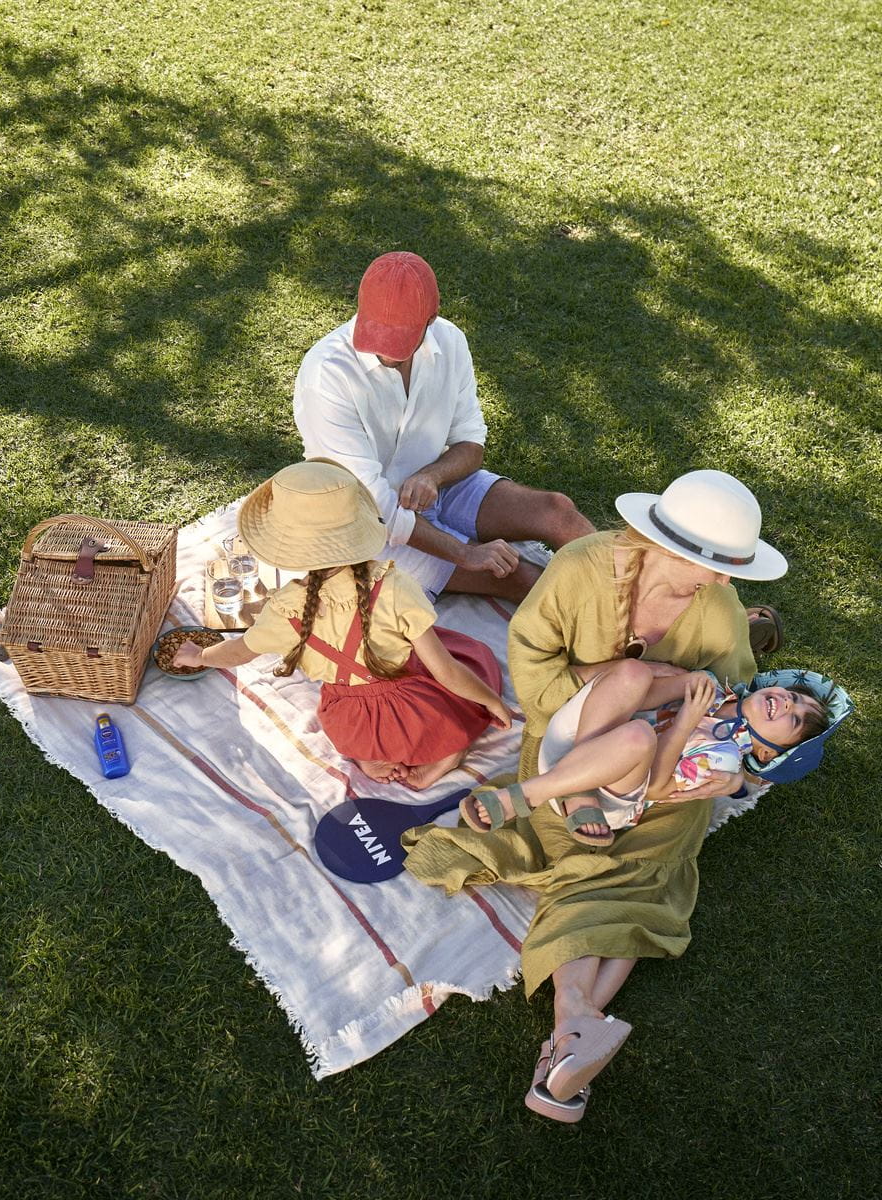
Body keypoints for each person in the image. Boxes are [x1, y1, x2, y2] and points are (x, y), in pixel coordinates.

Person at [402, 469, 789, 1123]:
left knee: (642, 867)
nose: (723, 581)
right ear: (662, 543)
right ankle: (575, 1028)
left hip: (667, 770)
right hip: (570, 746)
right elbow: (530, 658)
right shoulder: (581, 568)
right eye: (714, 566)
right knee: (590, 860)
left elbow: (733, 706)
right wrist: (609, 690)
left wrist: (731, 766)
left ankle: (572, 1034)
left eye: (729, 569)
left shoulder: (718, 613)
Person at [173, 460, 512, 789]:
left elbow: (237, 652)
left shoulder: (285, 610)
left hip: (350, 724)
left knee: (356, 715)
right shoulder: (394, 586)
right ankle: (447, 752)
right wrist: (489, 701)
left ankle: (369, 753)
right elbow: (447, 672)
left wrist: (200, 656)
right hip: (416, 715)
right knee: (465, 669)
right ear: (358, 528)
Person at [293, 251, 595, 604]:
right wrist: (466, 554)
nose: (386, 353)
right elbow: (374, 507)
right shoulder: (326, 374)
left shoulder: (451, 342)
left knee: (558, 512)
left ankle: (627, 603)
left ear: (430, 319)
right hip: (365, 524)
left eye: (399, 341)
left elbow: (470, 442)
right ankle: (602, 629)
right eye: (376, 334)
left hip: (439, 491)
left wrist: (433, 475)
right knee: (520, 578)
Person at [458, 660, 830, 843]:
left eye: (794, 720)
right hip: (571, 749)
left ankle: (525, 796)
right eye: (793, 696)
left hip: (609, 800)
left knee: (638, 736)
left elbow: (654, 789)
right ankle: (576, 786)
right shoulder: (713, 689)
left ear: (767, 754)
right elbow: (636, 694)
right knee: (634, 673)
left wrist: (685, 722)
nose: (785, 704)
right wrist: (681, 683)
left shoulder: (723, 758)